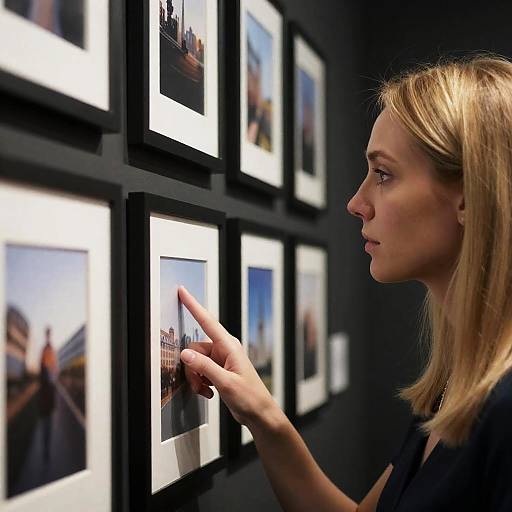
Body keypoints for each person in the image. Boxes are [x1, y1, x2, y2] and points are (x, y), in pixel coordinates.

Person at [176, 54, 512, 511]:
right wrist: (264, 416)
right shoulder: (454, 387)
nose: (356, 202)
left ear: (470, 197)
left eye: (384, 174)